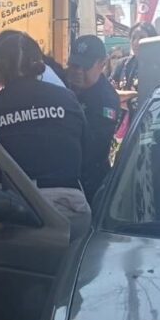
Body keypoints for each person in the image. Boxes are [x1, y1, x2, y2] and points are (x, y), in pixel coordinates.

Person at [0, 32, 90, 224]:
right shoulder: (67, 97)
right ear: (39, 62)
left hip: (12, 210)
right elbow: (87, 149)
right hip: (70, 209)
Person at [65, 35, 121, 202]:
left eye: (85, 67)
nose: (78, 72)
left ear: (102, 64)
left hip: (90, 182)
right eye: (75, 65)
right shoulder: (64, 85)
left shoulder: (106, 100)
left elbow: (94, 147)